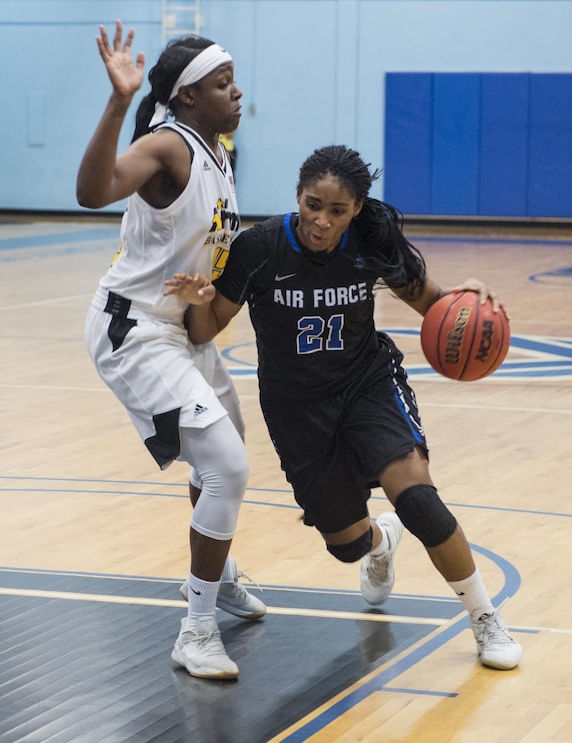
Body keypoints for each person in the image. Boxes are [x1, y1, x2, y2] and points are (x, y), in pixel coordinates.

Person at [165, 144, 522, 671]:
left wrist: (467, 298)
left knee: (419, 500)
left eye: (337, 211)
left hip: (365, 385)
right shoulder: (259, 248)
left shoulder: (370, 242)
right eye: (313, 205)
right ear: (298, 197)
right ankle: (381, 542)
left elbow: (434, 303)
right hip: (295, 410)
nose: (321, 221)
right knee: (347, 545)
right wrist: (198, 303)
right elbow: (205, 330)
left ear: (356, 209)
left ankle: (485, 619)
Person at [77, 20, 266, 682]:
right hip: (135, 330)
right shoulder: (168, 147)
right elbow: (92, 193)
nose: (236, 92)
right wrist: (117, 101)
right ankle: (196, 629)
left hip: (182, 327)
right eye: (222, 83)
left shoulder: (219, 150)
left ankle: (218, 573)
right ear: (187, 97)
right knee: (228, 466)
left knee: (221, 453)